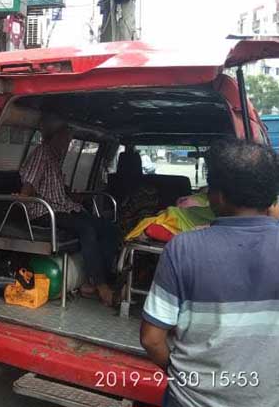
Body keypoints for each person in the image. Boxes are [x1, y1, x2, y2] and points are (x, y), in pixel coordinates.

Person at [140, 139, 279, 407]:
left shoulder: (184, 247)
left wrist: (179, 373)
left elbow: (151, 339)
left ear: (217, 196)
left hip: (189, 399)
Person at [18, 113, 119, 306]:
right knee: (86, 228)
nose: (68, 143)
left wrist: (74, 197)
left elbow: (56, 190)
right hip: (45, 213)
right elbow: (30, 182)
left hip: (63, 208)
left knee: (108, 227)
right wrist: (23, 196)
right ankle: (101, 285)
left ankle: (97, 279)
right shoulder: (42, 152)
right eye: (66, 138)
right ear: (55, 137)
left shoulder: (56, 159)